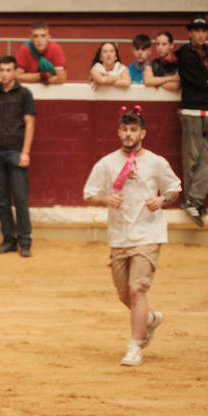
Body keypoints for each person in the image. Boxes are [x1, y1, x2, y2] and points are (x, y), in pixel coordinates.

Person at [82, 108, 181, 367]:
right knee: (124, 294)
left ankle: (135, 346)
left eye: (133, 130)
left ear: (143, 133)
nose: (128, 134)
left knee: (137, 290)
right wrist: (106, 199)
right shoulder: (106, 163)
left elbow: (174, 188)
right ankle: (147, 319)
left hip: (148, 233)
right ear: (118, 132)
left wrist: (161, 200)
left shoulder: (156, 162)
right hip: (120, 235)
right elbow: (89, 194)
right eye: (124, 130)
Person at [0, 56, 36, 257]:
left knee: (20, 199)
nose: (4, 74)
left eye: (8, 70)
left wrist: (25, 152)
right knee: (2, 200)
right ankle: (8, 240)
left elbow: (30, 124)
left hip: (16, 152)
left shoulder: (25, 94)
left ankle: (25, 241)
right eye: (2, 70)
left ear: (14, 72)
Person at [174, 16, 208, 226]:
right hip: (191, 110)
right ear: (190, 33)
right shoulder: (185, 54)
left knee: (205, 159)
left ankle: (193, 200)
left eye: (203, 31)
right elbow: (198, 81)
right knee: (192, 159)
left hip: (204, 110)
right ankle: (192, 201)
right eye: (196, 30)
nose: (201, 34)